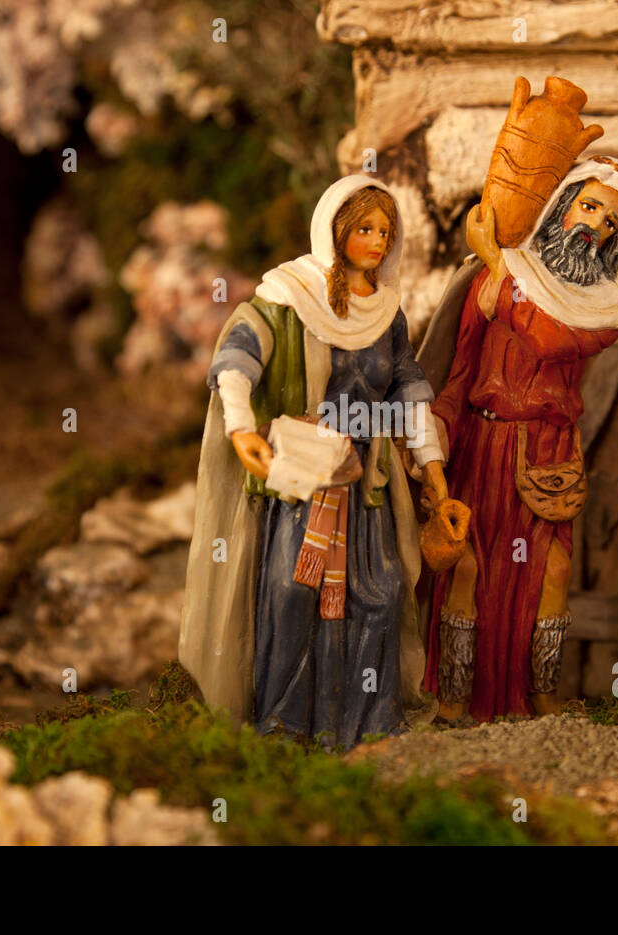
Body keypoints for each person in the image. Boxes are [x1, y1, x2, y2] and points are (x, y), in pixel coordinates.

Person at [179, 174, 463, 748]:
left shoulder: (387, 312)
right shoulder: (290, 297)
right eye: (365, 228)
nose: (378, 242)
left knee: (379, 593)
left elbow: (408, 392)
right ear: (336, 231)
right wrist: (240, 428)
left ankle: (367, 723)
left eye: (386, 230)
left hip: (367, 484)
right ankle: (285, 723)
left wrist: (433, 474)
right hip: (305, 480)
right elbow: (240, 353)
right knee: (292, 592)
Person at [417, 156, 618, 722]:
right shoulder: (491, 277)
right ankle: (455, 696)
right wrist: (437, 435)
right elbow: (459, 371)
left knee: (551, 572)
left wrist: (500, 265)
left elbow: (548, 340)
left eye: (610, 223)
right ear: (563, 204)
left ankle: (539, 690)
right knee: (468, 569)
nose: (593, 226)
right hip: (483, 445)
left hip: (547, 451)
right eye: (589, 206)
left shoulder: (600, 308)